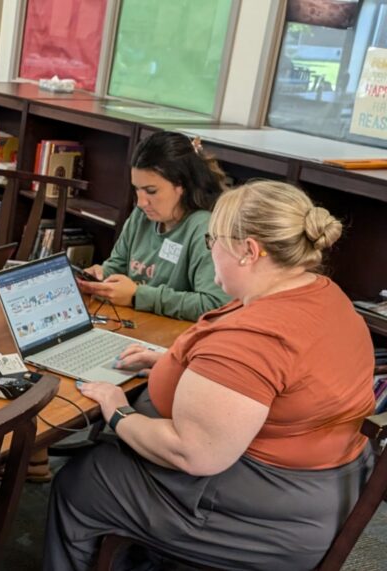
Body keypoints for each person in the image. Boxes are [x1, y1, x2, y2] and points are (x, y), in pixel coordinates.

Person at [45, 180, 375, 570]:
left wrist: (116, 410)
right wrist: (178, 363)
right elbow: (270, 378)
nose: (210, 250)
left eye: (212, 240)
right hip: (325, 485)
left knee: (84, 479)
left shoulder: (253, 338)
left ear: (249, 252)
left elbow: (193, 452)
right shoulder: (322, 292)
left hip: (270, 514)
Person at [77, 131, 231, 322]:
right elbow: (119, 264)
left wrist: (137, 296)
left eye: (151, 191)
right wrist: (101, 276)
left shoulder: (204, 229)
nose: (141, 202)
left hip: (172, 334)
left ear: (182, 185)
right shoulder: (142, 216)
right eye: (137, 189)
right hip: (135, 323)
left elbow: (214, 305)